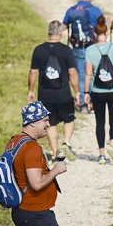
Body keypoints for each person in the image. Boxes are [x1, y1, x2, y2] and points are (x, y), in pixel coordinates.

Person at [28, 21, 80, 162]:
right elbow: (73, 73)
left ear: (48, 32)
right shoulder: (66, 50)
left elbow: (33, 72)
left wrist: (30, 91)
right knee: (69, 119)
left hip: (45, 95)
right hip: (63, 94)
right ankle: (66, 143)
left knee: (50, 123)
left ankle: (55, 151)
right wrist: (77, 92)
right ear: (60, 33)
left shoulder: (39, 50)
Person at [84, 16, 113, 164]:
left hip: (98, 91)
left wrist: (86, 93)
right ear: (107, 31)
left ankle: (102, 154)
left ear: (94, 34)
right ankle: (112, 144)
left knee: (100, 121)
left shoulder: (90, 50)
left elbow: (88, 74)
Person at [61, 0, 113, 111]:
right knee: (93, 73)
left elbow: (63, 27)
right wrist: (110, 20)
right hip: (93, 47)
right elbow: (104, 28)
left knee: (81, 74)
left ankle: (82, 104)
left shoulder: (71, 10)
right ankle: (92, 102)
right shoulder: (94, 10)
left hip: (78, 47)